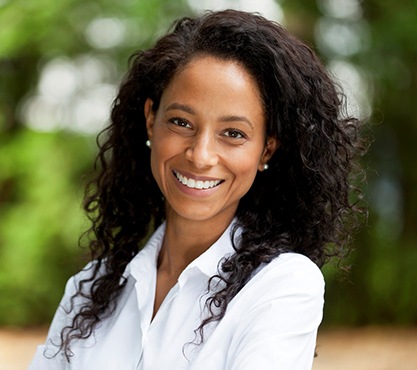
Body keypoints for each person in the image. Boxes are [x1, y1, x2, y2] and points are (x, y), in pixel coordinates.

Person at [29, 8, 366, 370]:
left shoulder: (281, 287)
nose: (201, 155)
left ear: (266, 149)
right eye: (181, 122)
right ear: (150, 121)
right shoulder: (90, 290)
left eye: (233, 133)